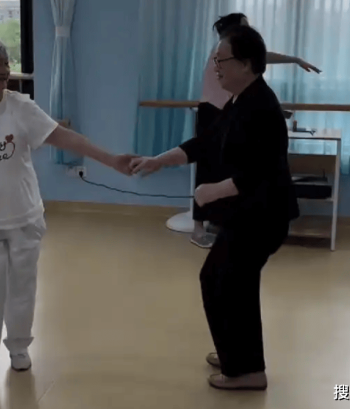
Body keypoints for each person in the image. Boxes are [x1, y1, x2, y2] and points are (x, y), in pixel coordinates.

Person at [0, 35, 135, 380]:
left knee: (23, 286)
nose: (5, 69)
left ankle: (19, 346)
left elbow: (63, 137)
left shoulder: (20, 106)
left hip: (24, 215)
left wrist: (110, 159)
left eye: (6, 62)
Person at [130, 25, 299, 390]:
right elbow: (205, 142)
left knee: (226, 282)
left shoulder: (261, 106)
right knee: (226, 281)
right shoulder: (240, 100)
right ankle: (237, 356)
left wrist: (212, 191)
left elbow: (260, 171)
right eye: (215, 60)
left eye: (222, 60)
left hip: (263, 216)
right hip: (250, 214)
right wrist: (158, 160)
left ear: (246, 63)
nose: (216, 67)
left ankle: (246, 370)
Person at [191, 12, 319, 249]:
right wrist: (294, 59)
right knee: (207, 169)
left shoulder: (237, 59)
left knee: (234, 170)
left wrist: (294, 61)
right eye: (245, 27)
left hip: (227, 111)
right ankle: (198, 227)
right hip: (212, 112)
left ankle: (222, 221)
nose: (249, 31)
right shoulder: (222, 55)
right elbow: (259, 59)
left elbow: (254, 74)